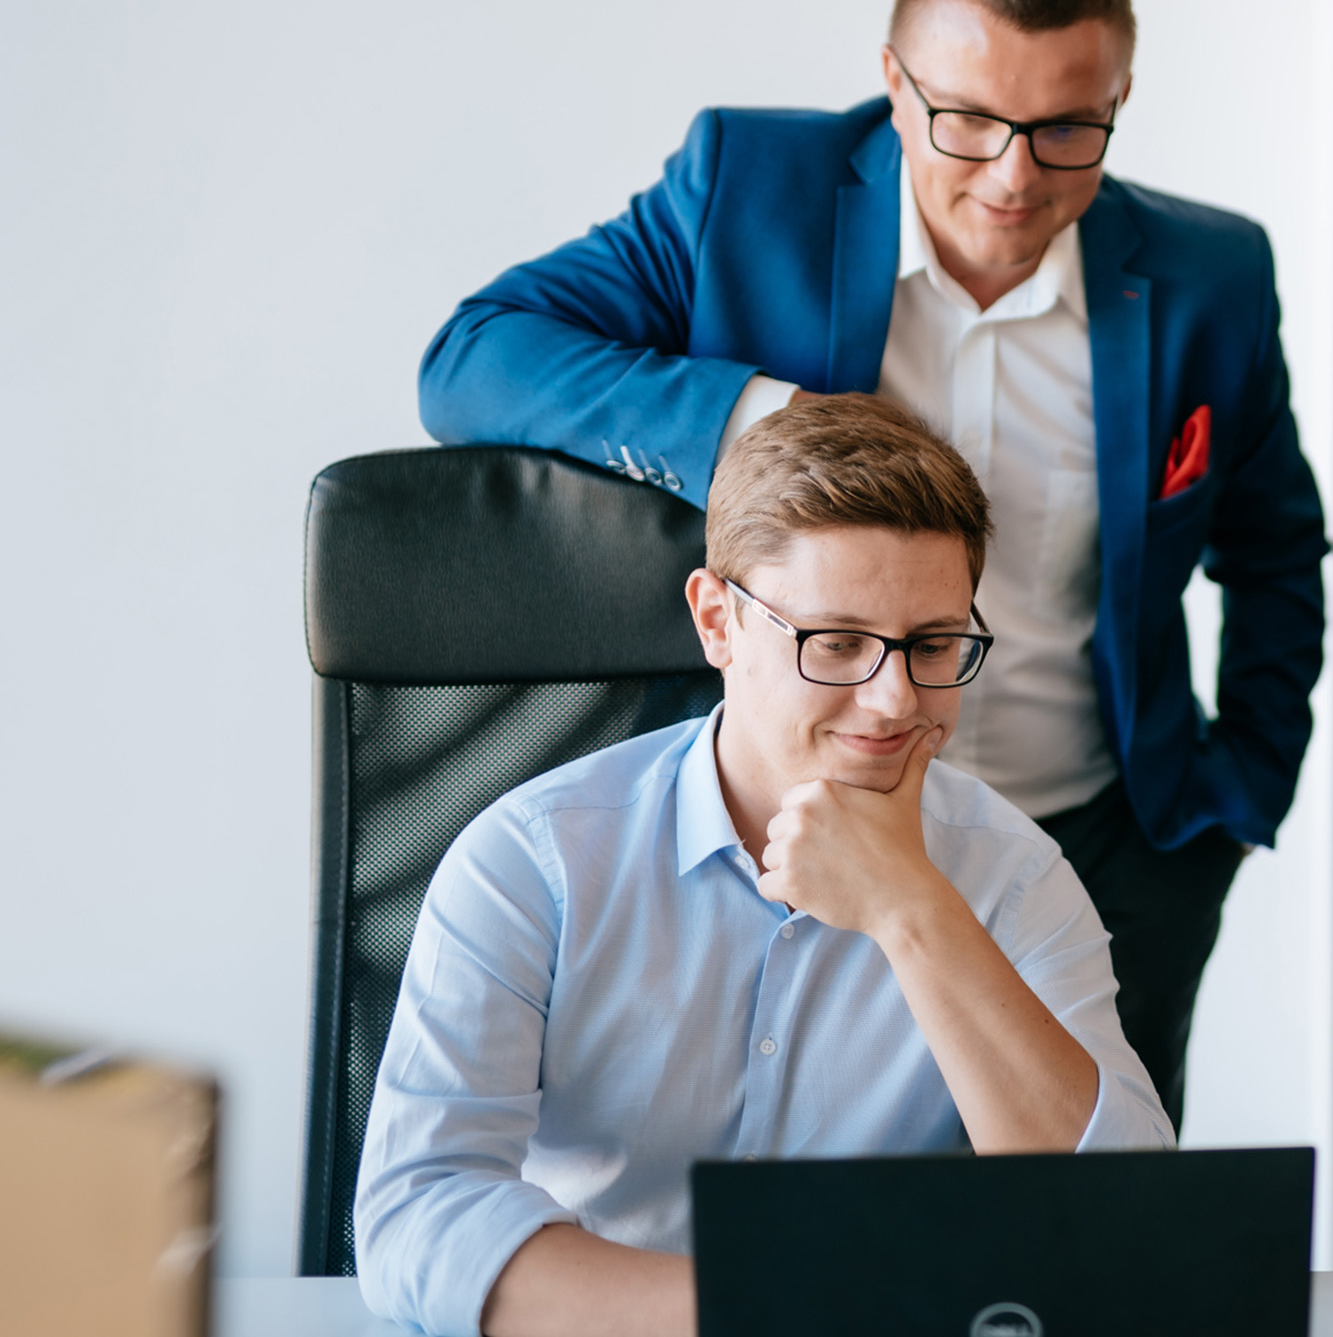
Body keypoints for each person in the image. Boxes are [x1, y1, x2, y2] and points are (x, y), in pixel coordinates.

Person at [416, 0, 1328, 1126]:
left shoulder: (1213, 273)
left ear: (1118, 99)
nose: (1014, 175)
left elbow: (1273, 550)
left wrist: (1232, 800)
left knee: (1094, 1239)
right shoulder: (747, 189)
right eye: (966, 122)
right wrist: (755, 419)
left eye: (1067, 128)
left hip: (1108, 851)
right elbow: (473, 358)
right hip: (789, 839)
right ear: (894, 86)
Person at [354, 395, 1170, 1337]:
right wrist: (765, 1311)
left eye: (934, 644)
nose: (894, 699)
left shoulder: (1014, 876)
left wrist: (913, 911)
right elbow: (419, 1211)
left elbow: (1128, 1228)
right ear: (718, 624)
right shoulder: (535, 862)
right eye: (838, 643)